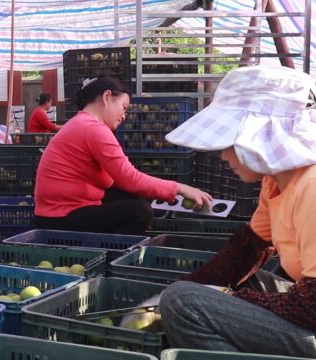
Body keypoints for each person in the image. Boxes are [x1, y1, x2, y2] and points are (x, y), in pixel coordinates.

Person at [159, 65, 316, 358]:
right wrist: (196, 286)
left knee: (182, 303)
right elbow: (248, 249)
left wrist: (230, 299)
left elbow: (312, 305)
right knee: (229, 286)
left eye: (230, 142)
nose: (223, 155)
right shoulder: (277, 181)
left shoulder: (312, 187)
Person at [33, 76, 211, 235]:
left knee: (135, 196)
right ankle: (109, 256)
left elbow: (120, 180)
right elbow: (129, 179)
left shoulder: (81, 124)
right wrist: (180, 188)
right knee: (140, 212)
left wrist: (165, 192)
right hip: (59, 218)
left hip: (57, 212)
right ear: (107, 97)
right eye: (123, 107)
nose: (124, 115)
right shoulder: (93, 128)